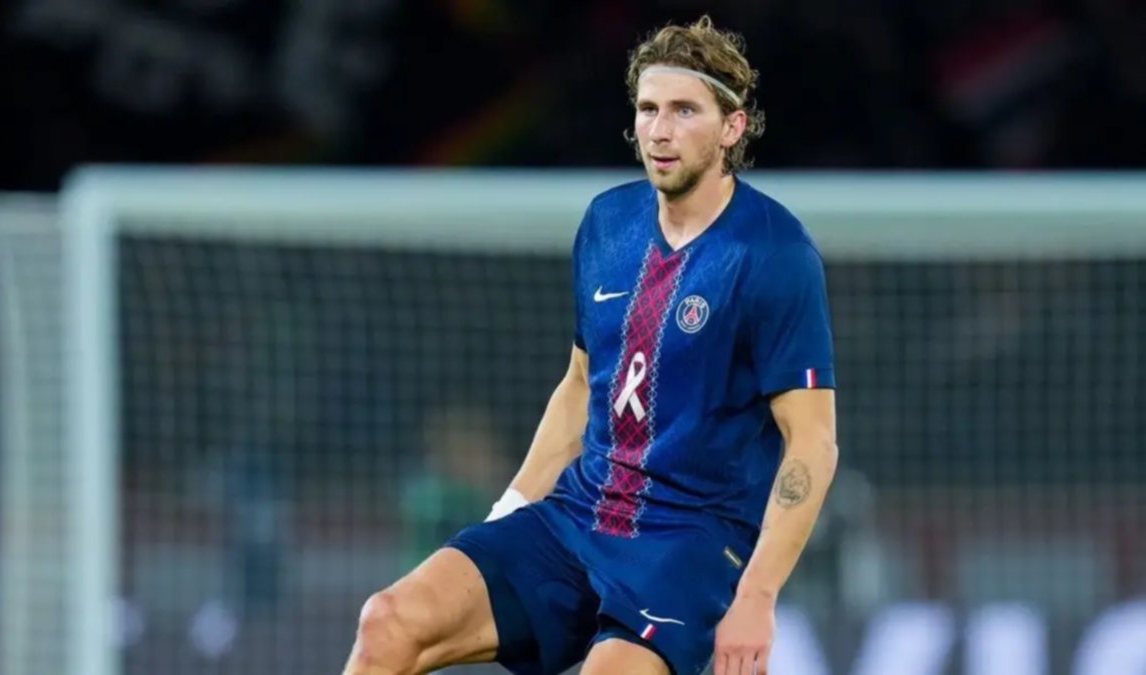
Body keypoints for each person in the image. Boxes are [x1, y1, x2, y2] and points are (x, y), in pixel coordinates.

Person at [343, 15, 838, 675]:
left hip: (688, 543)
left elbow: (812, 442)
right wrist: (509, 512)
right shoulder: (608, 222)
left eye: (684, 110)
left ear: (732, 127)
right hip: (581, 513)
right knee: (389, 621)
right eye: (648, 109)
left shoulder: (774, 253)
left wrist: (757, 594)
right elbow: (581, 386)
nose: (659, 130)